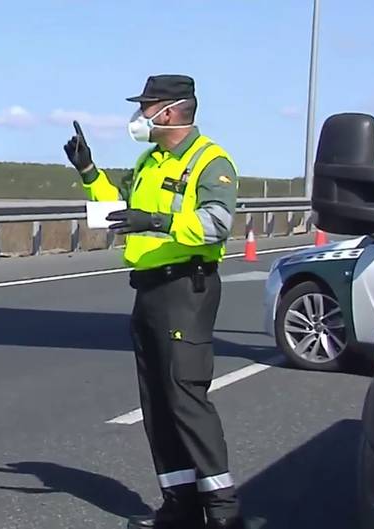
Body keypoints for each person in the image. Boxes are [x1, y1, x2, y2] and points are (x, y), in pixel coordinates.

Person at [63, 75, 255, 529]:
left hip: (185, 289)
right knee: (158, 402)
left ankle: (223, 511)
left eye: (147, 106)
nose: (140, 115)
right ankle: (179, 505)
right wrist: (89, 173)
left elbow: (216, 224)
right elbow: (119, 212)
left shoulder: (211, 161)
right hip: (148, 289)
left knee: (186, 397)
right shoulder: (151, 161)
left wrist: (157, 219)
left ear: (170, 112)